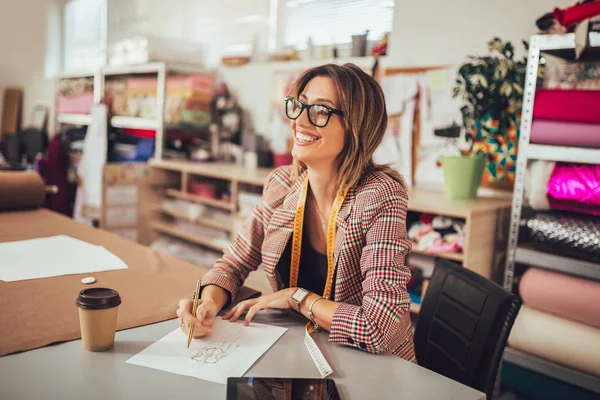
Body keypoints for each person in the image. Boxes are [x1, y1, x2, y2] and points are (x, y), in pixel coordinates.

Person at [176, 63, 415, 361]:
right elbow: (232, 264)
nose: (300, 120)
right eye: (298, 105)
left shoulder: (379, 195)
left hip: (373, 365)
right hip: (306, 351)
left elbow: (380, 328)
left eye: (320, 111)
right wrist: (206, 302)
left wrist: (296, 297)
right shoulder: (282, 185)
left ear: (356, 125)